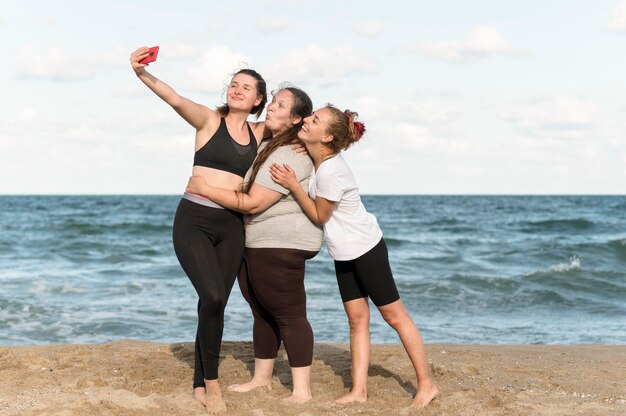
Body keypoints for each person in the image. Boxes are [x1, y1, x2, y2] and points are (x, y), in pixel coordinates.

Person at [269, 105, 439, 408]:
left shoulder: (333, 170)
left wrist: (294, 185)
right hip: (344, 253)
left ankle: (427, 385)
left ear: (329, 136)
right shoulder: (321, 157)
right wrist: (302, 141)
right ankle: (359, 391)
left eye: (315, 120)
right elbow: (304, 140)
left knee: (394, 317)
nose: (307, 121)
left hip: (366, 249)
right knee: (357, 320)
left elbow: (321, 216)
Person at [129, 46, 267, 414]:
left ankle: (197, 382)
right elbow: (173, 98)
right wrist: (141, 72)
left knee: (214, 303)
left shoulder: (260, 132)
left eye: (246, 87)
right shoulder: (208, 120)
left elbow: (296, 123)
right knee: (213, 296)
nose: (237, 90)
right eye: (234, 85)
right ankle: (212, 383)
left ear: (258, 100)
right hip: (194, 220)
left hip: (232, 227)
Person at [186, 86, 323, 403]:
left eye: (281, 105)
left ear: (296, 119)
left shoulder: (290, 153)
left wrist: (204, 188)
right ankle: (262, 379)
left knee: (289, 314)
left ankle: (302, 391)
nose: (272, 108)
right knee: (262, 312)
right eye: (273, 102)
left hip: (281, 242)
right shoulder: (273, 144)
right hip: (259, 241)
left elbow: (253, 203)